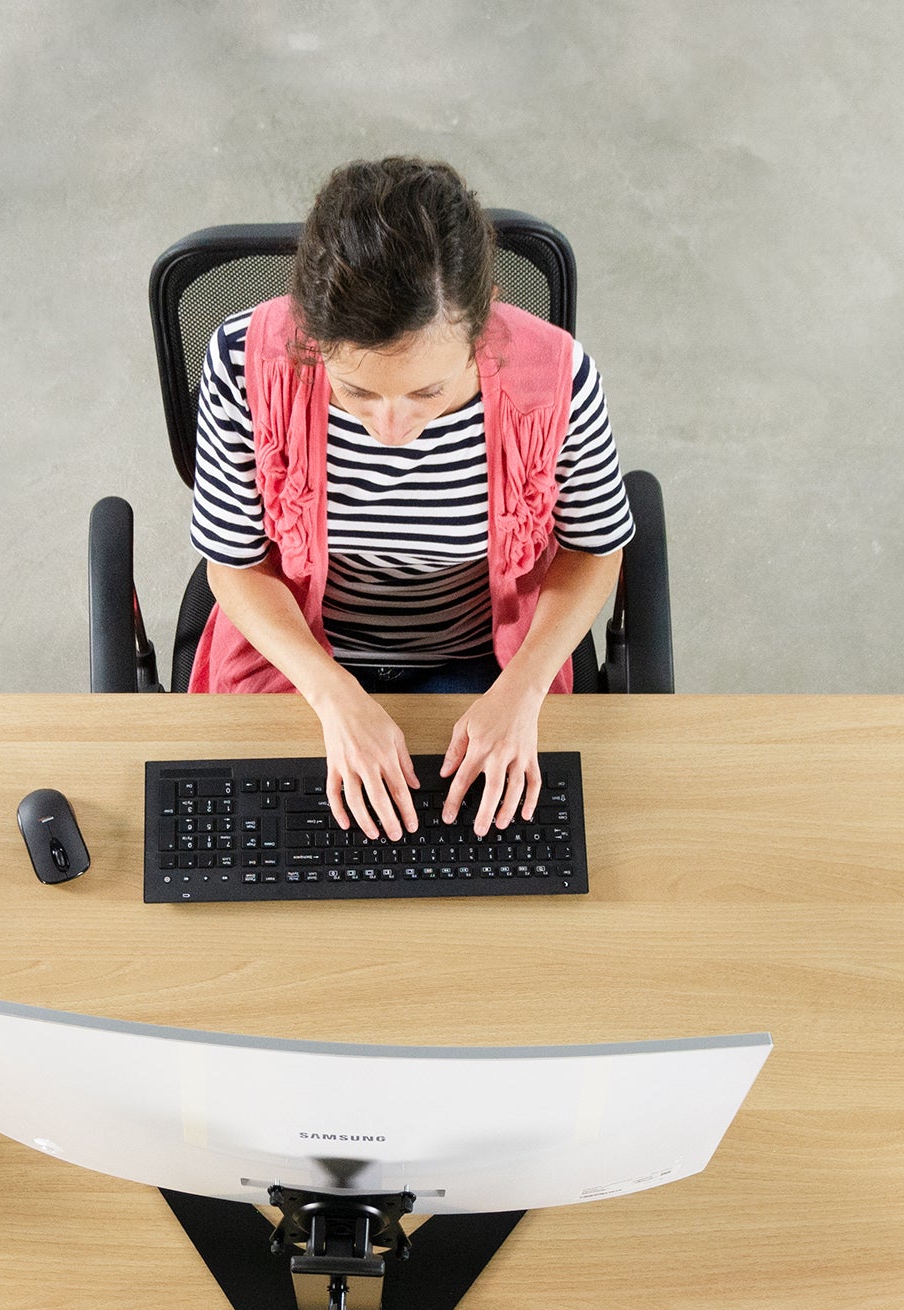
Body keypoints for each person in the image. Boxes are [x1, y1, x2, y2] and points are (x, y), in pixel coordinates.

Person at [189, 156, 635, 842]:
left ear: (480, 329)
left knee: (485, 868)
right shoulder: (241, 364)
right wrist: (337, 697)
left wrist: (519, 692)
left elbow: (593, 551)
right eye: (357, 392)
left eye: (429, 392)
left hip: (484, 662)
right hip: (304, 658)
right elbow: (236, 565)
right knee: (273, 856)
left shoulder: (559, 378)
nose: (393, 430)